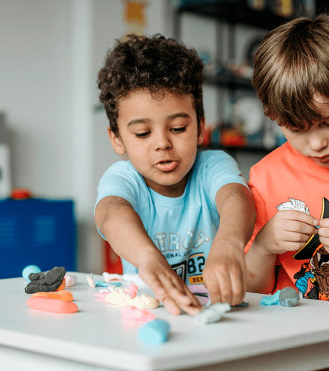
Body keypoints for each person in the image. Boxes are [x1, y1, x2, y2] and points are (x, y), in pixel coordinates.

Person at [245, 12, 329, 371]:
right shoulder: (266, 176)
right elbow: (250, 289)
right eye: (296, 129)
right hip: (302, 356)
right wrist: (263, 245)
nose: (316, 145)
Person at [95, 34, 255, 316]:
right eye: (143, 133)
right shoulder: (123, 178)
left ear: (200, 127)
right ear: (117, 138)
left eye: (178, 128)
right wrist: (147, 257)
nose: (162, 143)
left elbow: (236, 196)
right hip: (149, 312)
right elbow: (111, 212)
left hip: (218, 313)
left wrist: (230, 243)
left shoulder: (212, 166)